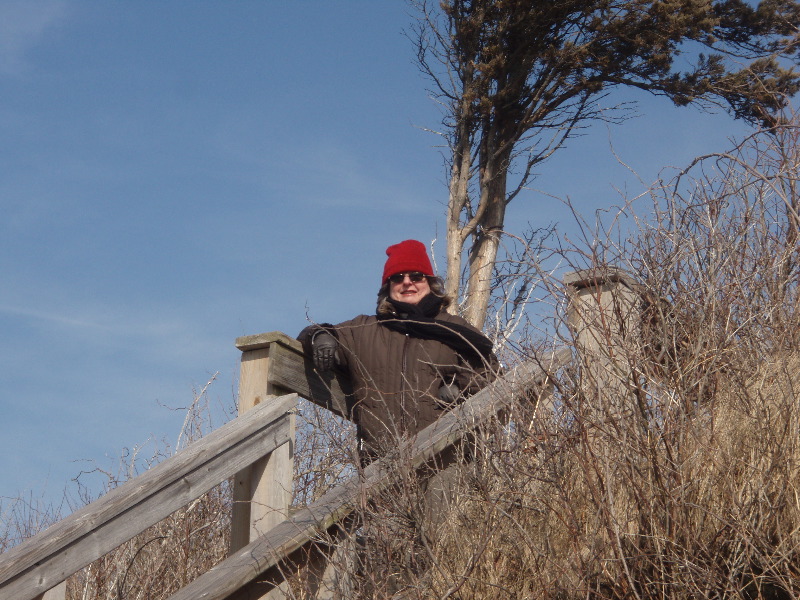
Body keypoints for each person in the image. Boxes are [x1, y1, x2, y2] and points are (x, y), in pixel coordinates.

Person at [298, 239, 498, 461]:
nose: (407, 283)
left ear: (430, 283)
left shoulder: (456, 329)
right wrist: (320, 336)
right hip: (380, 463)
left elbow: (489, 374)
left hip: (445, 458)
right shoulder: (364, 329)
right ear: (388, 286)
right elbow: (314, 334)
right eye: (397, 278)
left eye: (416, 276)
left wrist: (457, 393)